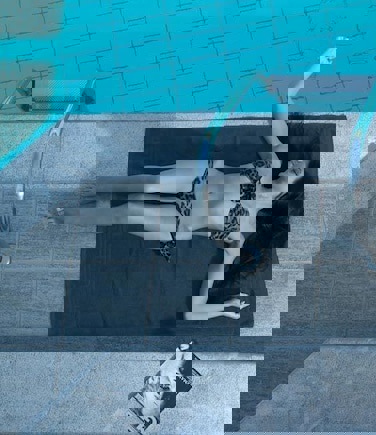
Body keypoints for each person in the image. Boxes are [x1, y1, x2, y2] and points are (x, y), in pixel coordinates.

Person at [51, 111, 311, 320]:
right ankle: (76, 203)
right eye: (290, 172)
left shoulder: (239, 230)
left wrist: (220, 308)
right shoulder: (258, 177)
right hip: (185, 190)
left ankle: (67, 213)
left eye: (290, 177)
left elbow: (198, 305)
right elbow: (279, 138)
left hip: (176, 215)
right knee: (134, 190)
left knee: (125, 208)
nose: (288, 174)